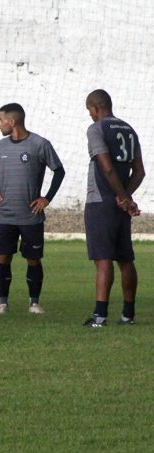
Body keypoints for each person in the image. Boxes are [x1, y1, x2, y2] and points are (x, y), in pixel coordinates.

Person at [0, 103, 65, 315]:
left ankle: (34, 303)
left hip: (31, 216)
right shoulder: (0, 146)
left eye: (1, 120)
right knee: (3, 257)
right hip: (5, 215)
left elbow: (59, 171)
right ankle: (2, 303)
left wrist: (46, 198)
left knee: (33, 259)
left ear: (12, 122)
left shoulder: (39, 144)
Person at [83, 89, 145, 327]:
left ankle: (100, 316)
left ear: (96, 108)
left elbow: (106, 167)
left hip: (101, 201)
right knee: (125, 259)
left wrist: (120, 196)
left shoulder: (96, 129)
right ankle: (128, 314)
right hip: (121, 204)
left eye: (89, 110)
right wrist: (126, 198)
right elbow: (139, 171)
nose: (90, 115)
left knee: (103, 258)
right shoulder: (129, 130)